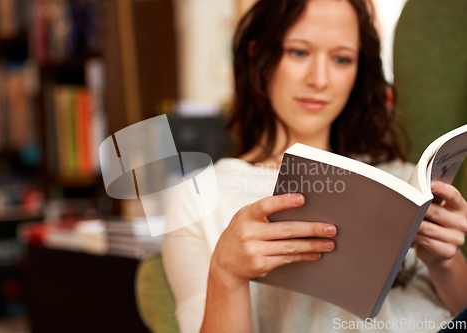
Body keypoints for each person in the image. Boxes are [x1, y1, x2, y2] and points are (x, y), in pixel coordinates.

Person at [162, 0, 467, 332]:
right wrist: (226, 273)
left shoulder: (402, 179)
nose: (319, 79)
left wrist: (444, 261)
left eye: (341, 59)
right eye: (298, 52)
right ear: (258, 56)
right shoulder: (201, 197)